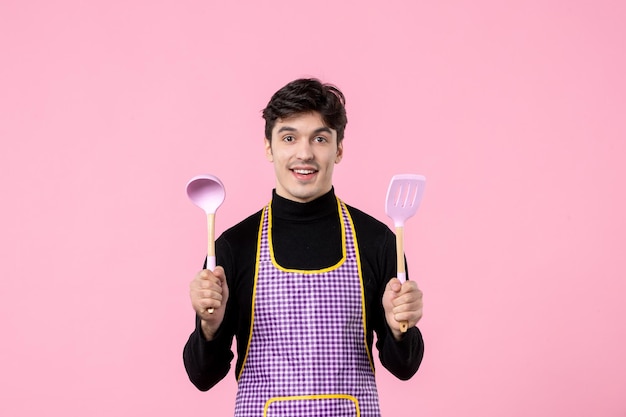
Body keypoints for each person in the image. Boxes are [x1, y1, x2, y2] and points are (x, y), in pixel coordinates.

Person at [183, 78, 424, 417]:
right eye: (289, 137)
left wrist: (400, 327)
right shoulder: (232, 247)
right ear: (269, 147)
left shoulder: (380, 242)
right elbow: (202, 377)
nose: (305, 153)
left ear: (338, 149)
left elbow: (405, 368)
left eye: (320, 138)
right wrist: (209, 326)